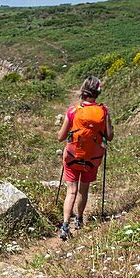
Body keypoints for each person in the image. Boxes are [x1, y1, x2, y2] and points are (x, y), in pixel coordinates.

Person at [57, 76, 114, 240]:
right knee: (83, 189)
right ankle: (79, 219)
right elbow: (109, 136)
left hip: (72, 157)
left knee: (71, 191)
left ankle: (65, 224)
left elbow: (60, 137)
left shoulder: (73, 111)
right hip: (92, 158)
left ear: (83, 90)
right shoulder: (103, 111)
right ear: (98, 92)